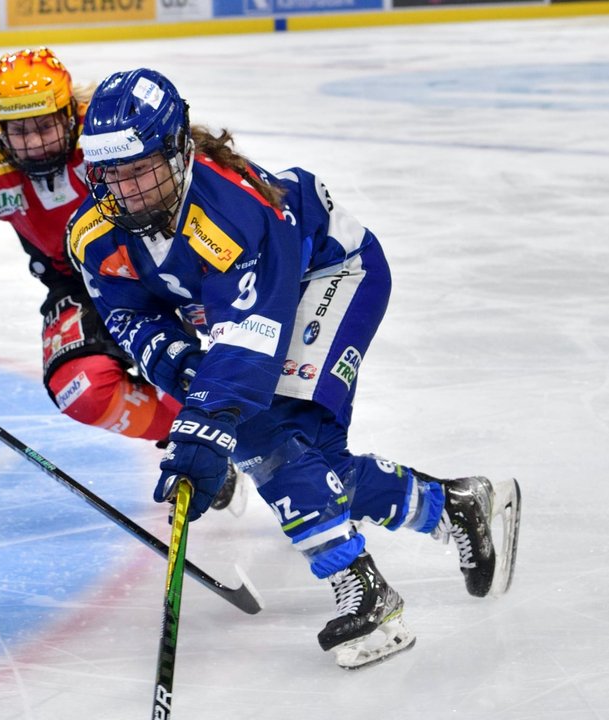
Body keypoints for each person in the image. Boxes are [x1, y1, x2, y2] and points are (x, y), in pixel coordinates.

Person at [66, 68, 522, 669]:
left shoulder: (235, 210)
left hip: (335, 276)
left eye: (140, 167)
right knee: (312, 461)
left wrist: (207, 420)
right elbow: (132, 318)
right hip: (265, 310)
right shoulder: (92, 234)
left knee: (262, 433)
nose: (127, 188)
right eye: (111, 172)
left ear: (177, 150)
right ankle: (452, 507)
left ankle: (363, 588)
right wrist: (179, 368)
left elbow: (250, 340)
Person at [0, 49, 239, 512]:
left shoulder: (111, 131)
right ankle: (188, 435)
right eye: (18, 129)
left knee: (232, 359)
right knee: (82, 390)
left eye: (45, 125)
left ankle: (251, 444)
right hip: (79, 282)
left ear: (70, 112)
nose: (33, 143)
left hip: (164, 261)